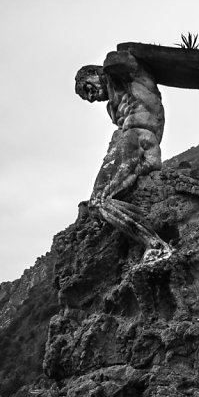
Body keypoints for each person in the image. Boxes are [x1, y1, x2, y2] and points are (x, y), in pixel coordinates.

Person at [75, 50, 173, 264]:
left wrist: (108, 67)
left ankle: (155, 244)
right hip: (145, 145)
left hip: (137, 138)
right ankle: (149, 225)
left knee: (98, 202)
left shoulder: (121, 78)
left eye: (88, 89)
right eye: (87, 98)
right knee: (103, 202)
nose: (91, 98)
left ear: (94, 73)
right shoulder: (115, 103)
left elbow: (120, 59)